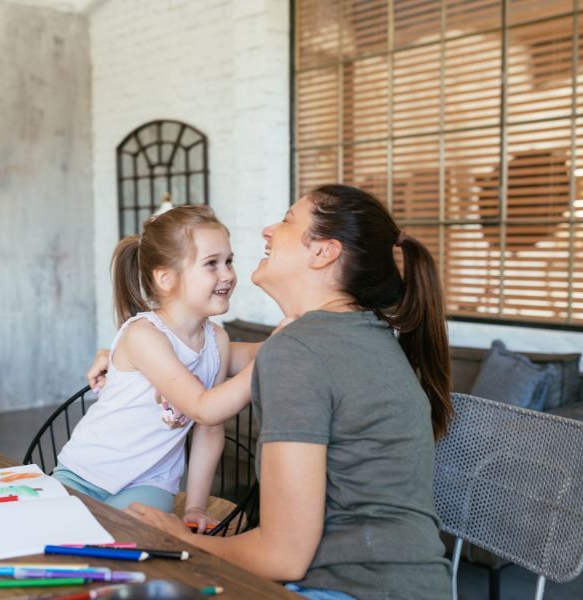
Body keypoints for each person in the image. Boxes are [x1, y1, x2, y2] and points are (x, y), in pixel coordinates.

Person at [90, 185, 453, 600]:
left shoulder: (300, 350)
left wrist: (177, 536)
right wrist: (122, 356)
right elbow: (205, 354)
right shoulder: (365, 334)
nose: (267, 229)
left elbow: (283, 557)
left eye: (285, 220)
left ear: (323, 252)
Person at [55, 205, 256, 530]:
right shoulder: (143, 335)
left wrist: (194, 506)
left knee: (131, 541)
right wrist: (257, 372)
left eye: (229, 261)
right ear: (165, 278)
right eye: (211, 264)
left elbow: (210, 429)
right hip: (86, 470)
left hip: (152, 482)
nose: (228, 274)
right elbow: (204, 410)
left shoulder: (217, 341)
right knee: (60, 540)